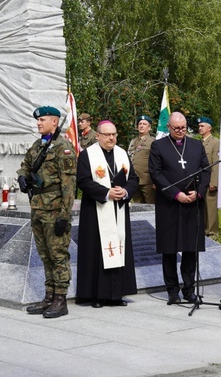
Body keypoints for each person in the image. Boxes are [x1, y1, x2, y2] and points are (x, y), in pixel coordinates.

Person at [17, 106, 76, 318]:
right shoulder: (38, 145)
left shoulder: (63, 147)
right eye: (38, 120)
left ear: (54, 121)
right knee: (45, 255)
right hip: (38, 208)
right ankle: (49, 296)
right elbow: (25, 165)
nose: (38, 123)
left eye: (42, 120)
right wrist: (22, 177)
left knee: (58, 255)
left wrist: (64, 215)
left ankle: (61, 299)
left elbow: (69, 185)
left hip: (54, 210)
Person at [76, 120, 140, 307]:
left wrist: (125, 191)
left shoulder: (122, 154)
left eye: (114, 134)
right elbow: (83, 180)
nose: (111, 138)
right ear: (98, 136)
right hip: (97, 209)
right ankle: (96, 295)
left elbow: (134, 178)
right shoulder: (87, 155)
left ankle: (115, 294)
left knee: (118, 248)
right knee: (98, 251)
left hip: (118, 209)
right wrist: (106, 192)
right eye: (107, 134)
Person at [149, 112, 210, 304]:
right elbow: (156, 174)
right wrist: (176, 194)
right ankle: (172, 290)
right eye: (176, 128)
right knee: (169, 248)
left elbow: (206, 170)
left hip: (193, 203)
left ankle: (189, 289)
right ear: (169, 127)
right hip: (169, 203)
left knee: (190, 248)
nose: (180, 131)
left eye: (183, 127)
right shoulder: (158, 146)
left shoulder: (196, 145)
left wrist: (198, 193)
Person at [197, 116, 220, 238]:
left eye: (202, 126)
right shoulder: (198, 143)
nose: (200, 128)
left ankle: (212, 232)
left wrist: (214, 182)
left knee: (210, 208)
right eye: (199, 126)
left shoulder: (215, 143)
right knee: (201, 207)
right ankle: (204, 230)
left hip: (210, 179)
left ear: (209, 128)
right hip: (199, 181)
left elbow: (216, 163)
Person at [127, 115, 156, 204]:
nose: (141, 126)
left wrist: (155, 181)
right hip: (134, 179)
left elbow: (156, 162)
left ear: (149, 127)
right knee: (137, 207)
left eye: (144, 124)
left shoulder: (153, 142)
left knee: (150, 207)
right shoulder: (133, 141)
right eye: (140, 124)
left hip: (147, 180)